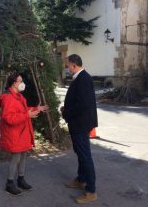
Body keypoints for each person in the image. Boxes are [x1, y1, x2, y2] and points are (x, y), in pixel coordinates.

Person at [0, 72, 48, 196]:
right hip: (14, 134)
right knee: (16, 158)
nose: (22, 83)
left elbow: (23, 111)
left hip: (22, 132)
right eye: (20, 81)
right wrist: (27, 115)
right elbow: (8, 118)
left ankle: (21, 179)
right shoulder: (8, 97)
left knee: (24, 155)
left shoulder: (19, 96)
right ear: (14, 83)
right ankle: (9, 184)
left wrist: (37, 109)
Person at [61, 54, 98, 204]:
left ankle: (91, 190)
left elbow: (82, 105)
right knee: (81, 153)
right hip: (78, 123)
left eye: (68, 65)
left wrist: (66, 112)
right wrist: (67, 107)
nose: (67, 68)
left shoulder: (83, 79)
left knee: (85, 156)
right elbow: (78, 101)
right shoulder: (80, 77)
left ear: (74, 65)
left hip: (80, 124)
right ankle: (81, 179)